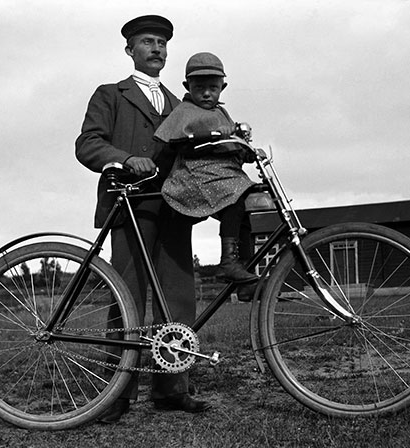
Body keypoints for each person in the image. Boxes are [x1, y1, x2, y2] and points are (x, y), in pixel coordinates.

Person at [75, 15, 210, 421]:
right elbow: (88, 143)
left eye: (162, 43)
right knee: (127, 299)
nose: (157, 49)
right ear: (130, 50)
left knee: (178, 299)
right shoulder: (111, 95)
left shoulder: (180, 104)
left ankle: (172, 388)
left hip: (173, 208)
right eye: (148, 42)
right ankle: (116, 393)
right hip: (131, 206)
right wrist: (123, 158)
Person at [154, 52, 258, 284]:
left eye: (213, 87)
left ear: (223, 87)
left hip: (221, 174)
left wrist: (245, 149)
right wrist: (204, 135)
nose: (207, 93)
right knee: (236, 196)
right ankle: (228, 262)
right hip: (195, 174)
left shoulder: (220, 112)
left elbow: (230, 144)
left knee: (245, 210)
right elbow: (177, 140)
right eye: (199, 87)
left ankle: (246, 272)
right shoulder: (184, 111)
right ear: (187, 86)